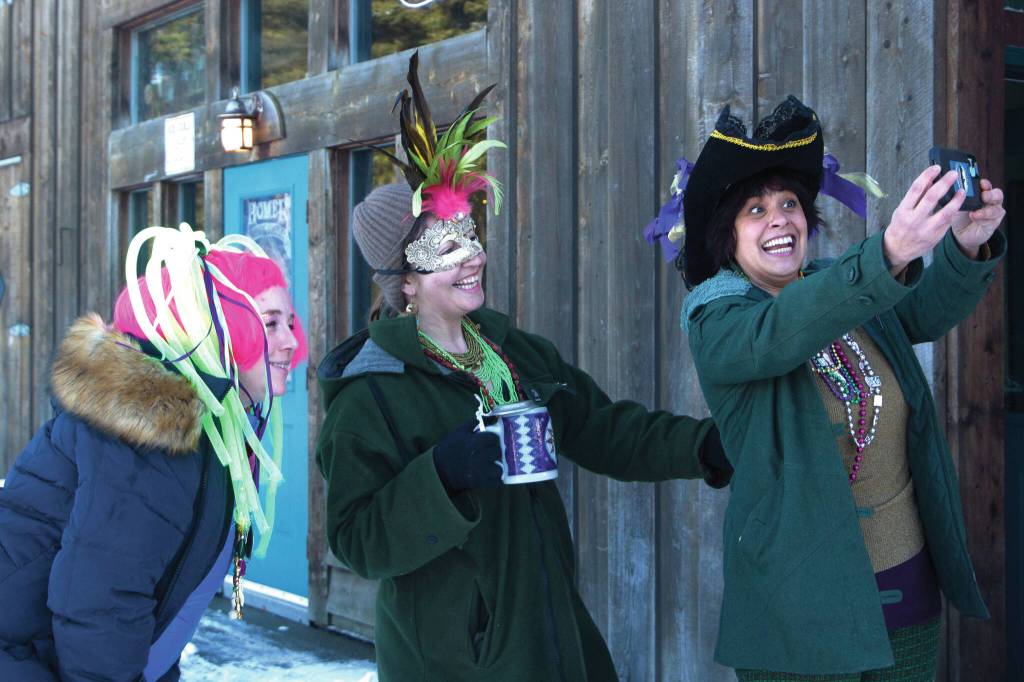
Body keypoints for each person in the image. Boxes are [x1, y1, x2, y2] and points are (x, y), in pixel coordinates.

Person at [316, 53, 732, 682]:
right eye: (445, 249)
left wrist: (707, 446)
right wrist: (443, 474)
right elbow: (355, 540)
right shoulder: (370, 394)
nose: (472, 257)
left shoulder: (514, 354)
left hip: (552, 637)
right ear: (404, 282)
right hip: (462, 662)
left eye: (472, 236)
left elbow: (602, 428)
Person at [653, 97, 1005, 680]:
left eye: (789, 203)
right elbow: (779, 333)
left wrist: (967, 245)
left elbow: (923, 311)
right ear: (727, 236)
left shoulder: (836, 284)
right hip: (801, 615)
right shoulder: (717, 318)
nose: (779, 220)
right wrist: (889, 252)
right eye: (755, 210)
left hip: (906, 594)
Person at [0, 224, 307, 681]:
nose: (290, 341)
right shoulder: (150, 437)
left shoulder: (208, 429)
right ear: (216, 327)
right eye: (270, 323)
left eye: (290, 322)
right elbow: (102, 604)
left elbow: (157, 596)